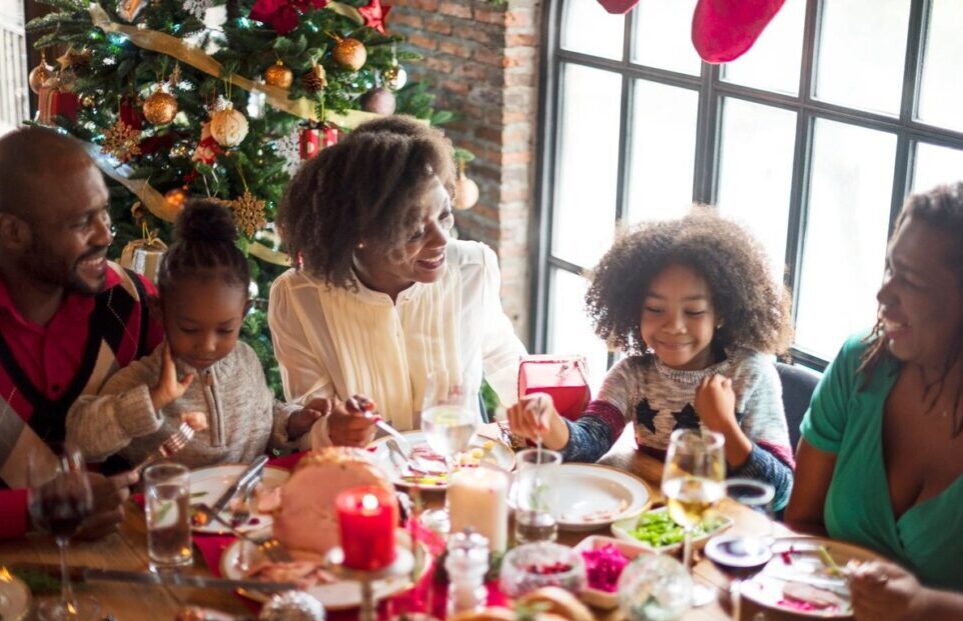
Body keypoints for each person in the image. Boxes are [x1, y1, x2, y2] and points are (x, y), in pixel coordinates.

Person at [508, 208, 796, 511]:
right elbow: (589, 443)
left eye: (694, 311)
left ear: (721, 312)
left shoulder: (750, 374)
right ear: (634, 309)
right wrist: (550, 423)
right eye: (655, 310)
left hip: (731, 535)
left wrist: (723, 425)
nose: (674, 326)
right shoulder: (632, 375)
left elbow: (779, 491)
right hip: (660, 520)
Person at [268, 115, 526, 439]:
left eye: (444, 216)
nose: (442, 240)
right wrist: (330, 429)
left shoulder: (473, 267)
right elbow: (310, 422)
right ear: (359, 234)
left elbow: (504, 358)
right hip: (363, 478)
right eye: (415, 232)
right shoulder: (298, 296)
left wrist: (542, 410)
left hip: (460, 470)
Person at [66, 200, 370, 469]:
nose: (208, 345)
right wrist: (153, 399)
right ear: (159, 312)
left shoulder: (246, 359)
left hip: (250, 511)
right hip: (176, 518)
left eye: (225, 330)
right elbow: (82, 439)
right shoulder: (141, 381)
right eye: (189, 328)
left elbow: (263, 412)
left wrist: (293, 421)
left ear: (244, 312)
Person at [786, 182, 963, 595]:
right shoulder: (860, 364)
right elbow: (801, 524)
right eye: (890, 268)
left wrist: (922, 610)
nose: (883, 294)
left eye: (912, 281)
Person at [0, 126, 161, 539]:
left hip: (131, 569)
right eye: (80, 222)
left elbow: (210, 394)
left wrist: (300, 425)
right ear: (13, 232)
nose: (106, 234)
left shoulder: (133, 303)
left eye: (104, 212)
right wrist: (34, 511)